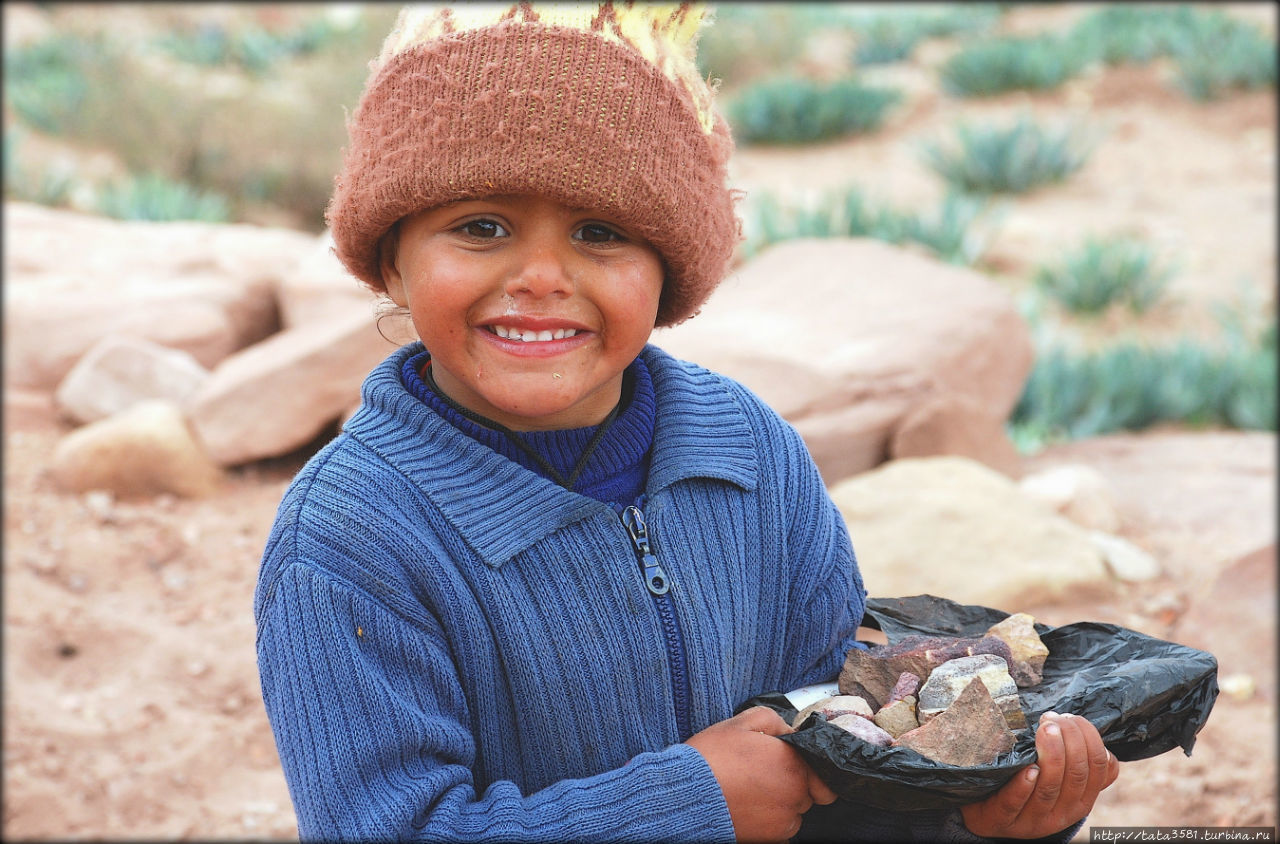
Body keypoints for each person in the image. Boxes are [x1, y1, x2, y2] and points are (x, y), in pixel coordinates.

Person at [253, 3, 1120, 841]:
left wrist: (973, 811)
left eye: (600, 231)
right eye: (481, 227)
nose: (542, 275)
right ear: (390, 262)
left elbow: (840, 749)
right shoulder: (352, 542)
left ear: (669, 273)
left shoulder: (748, 453)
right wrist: (689, 808)